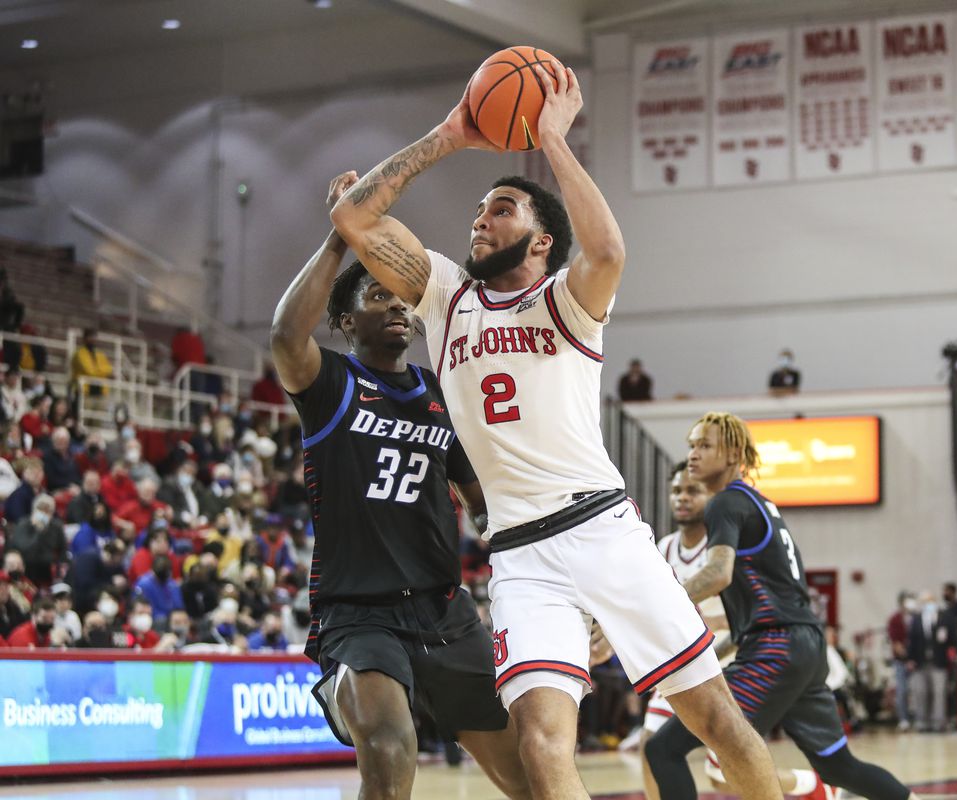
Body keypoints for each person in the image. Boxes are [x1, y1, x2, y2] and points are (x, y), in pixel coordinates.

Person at [331, 65, 781, 800]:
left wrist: (550, 140)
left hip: (603, 529)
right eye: (479, 209)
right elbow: (353, 218)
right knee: (542, 748)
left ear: (541, 240)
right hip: (520, 555)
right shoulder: (446, 296)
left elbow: (607, 253)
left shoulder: (568, 301)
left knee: (717, 722)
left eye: (501, 208)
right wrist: (450, 135)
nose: (480, 219)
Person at [271, 172, 531, 800]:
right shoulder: (328, 385)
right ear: (343, 318)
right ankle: (343, 682)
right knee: (390, 754)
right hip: (361, 613)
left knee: (528, 777)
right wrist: (343, 233)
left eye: (400, 297)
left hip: (445, 612)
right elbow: (284, 336)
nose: (396, 305)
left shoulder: (441, 394)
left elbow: (484, 506)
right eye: (376, 296)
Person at [646, 412, 916, 800]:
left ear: (734, 452)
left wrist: (661, 604)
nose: (692, 454)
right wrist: (712, 654)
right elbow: (770, 606)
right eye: (691, 445)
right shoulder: (762, 504)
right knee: (838, 765)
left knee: (665, 749)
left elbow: (718, 573)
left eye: (704, 445)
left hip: (776, 648)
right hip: (802, 645)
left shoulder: (725, 503)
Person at [638, 464, 828, 800]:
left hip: (728, 658)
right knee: (651, 746)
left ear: (710, 497)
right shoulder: (664, 547)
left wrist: (710, 637)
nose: (682, 498)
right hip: (684, 661)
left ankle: (810, 785)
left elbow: (746, 619)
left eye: (692, 491)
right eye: (677, 491)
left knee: (721, 773)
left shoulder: (726, 546)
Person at [906, 591, 957, 734]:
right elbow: (912, 640)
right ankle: (922, 721)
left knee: (939, 692)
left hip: (939, 661)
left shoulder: (944, 617)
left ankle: (938, 722)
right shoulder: (916, 619)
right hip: (920, 661)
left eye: (929, 601)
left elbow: (952, 638)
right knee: (921, 692)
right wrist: (910, 659)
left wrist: (953, 654)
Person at [6, 493, 67, 585]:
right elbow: (24, 547)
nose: (44, 513)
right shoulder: (23, 524)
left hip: (47, 568)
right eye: (41, 509)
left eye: (47, 511)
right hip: (26, 566)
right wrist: (38, 531)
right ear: (34, 510)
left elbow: (63, 548)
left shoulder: (56, 527)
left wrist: (61, 564)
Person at [887, 593, 915, 732]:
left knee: (916, 691)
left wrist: (913, 658)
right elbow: (895, 642)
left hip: (915, 662)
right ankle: (903, 719)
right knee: (902, 690)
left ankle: (916, 718)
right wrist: (906, 658)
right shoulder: (895, 619)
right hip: (900, 661)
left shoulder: (916, 618)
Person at [69, 327, 113, 400]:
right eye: (90, 336)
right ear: (84, 338)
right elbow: (89, 371)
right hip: (84, 392)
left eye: (94, 336)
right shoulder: (79, 353)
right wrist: (103, 372)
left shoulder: (100, 354)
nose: (93, 339)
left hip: (100, 392)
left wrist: (97, 370)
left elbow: (109, 369)